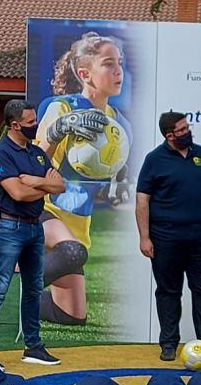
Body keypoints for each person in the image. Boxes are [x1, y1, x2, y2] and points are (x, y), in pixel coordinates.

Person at [36, 31, 132, 326]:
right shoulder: (61, 108)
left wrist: (118, 188)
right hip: (42, 210)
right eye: (108, 63)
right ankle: (9, 285)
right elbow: (33, 164)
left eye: (120, 62)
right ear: (84, 73)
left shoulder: (119, 121)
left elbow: (115, 179)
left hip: (78, 221)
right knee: (71, 252)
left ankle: (32, 303)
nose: (119, 71)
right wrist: (59, 128)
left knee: (71, 316)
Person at [135, 111, 201, 363]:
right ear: (169, 135)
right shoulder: (154, 160)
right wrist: (144, 237)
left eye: (187, 127)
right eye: (182, 130)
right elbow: (142, 200)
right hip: (165, 238)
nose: (187, 132)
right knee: (168, 291)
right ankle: (168, 344)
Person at [0, 98, 64, 366]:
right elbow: (17, 192)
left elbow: (60, 186)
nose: (35, 125)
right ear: (14, 125)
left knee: (34, 288)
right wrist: (44, 184)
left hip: (35, 227)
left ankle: (33, 347)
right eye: (30, 122)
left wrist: (36, 181)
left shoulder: (37, 153)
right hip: (8, 227)